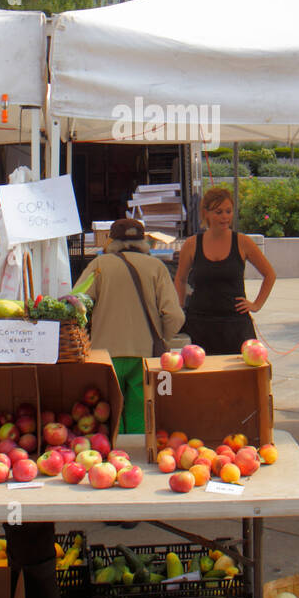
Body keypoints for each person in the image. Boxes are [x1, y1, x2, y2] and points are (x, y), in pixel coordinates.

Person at [74, 218, 185, 433]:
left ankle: (115, 453)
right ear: (144, 241)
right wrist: (162, 337)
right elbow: (174, 315)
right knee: (140, 412)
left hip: (104, 354)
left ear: (111, 241)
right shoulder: (156, 267)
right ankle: (137, 455)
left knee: (109, 411)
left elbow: (76, 305)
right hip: (144, 354)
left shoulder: (98, 266)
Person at [174, 186, 276, 355]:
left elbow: (270, 274)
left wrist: (256, 304)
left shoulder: (243, 242)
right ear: (206, 213)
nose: (225, 217)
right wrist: (180, 307)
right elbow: (180, 279)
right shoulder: (192, 244)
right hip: (200, 323)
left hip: (235, 324)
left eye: (228, 211)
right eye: (219, 212)